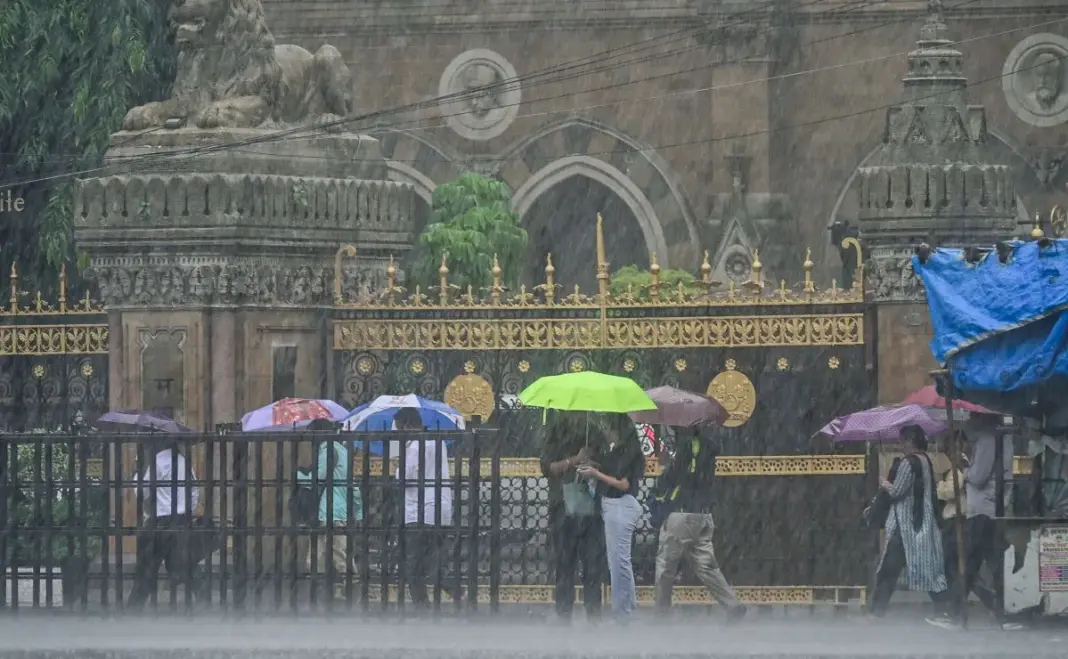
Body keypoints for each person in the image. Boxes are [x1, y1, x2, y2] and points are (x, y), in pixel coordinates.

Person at [928, 414, 1017, 630]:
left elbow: (978, 476)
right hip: (992, 509)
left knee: (970, 562)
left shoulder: (987, 439)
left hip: (983, 510)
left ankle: (958, 613)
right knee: (990, 563)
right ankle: (1001, 613)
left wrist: (964, 468)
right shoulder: (1002, 438)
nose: (968, 420)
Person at [650, 428, 746, 622]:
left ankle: (661, 614)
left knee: (665, 567)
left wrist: (667, 465)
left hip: (681, 514)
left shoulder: (686, 446)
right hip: (703, 515)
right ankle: (732, 605)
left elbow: (678, 478)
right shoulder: (710, 447)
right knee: (707, 567)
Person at [867, 425, 947, 618]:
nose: (900, 444)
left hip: (905, 526)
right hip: (921, 523)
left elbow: (896, 492)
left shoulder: (908, 463)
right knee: (927, 569)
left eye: (902, 440)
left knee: (888, 569)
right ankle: (944, 608)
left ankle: (876, 613)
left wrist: (883, 483)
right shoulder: (925, 461)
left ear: (910, 441)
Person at [577, 417, 645, 621]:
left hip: (620, 506)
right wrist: (594, 465)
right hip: (615, 507)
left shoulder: (627, 452)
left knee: (619, 564)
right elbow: (611, 470)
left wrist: (595, 473)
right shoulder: (619, 452)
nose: (606, 433)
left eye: (608, 428)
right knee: (620, 561)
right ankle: (627, 608)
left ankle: (623, 611)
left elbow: (623, 483)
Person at [539, 412, 605, 622]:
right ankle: (563, 612)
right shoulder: (556, 433)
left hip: (591, 509)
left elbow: (607, 466)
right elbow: (547, 467)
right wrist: (573, 460)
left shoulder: (594, 433)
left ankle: (593, 613)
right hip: (563, 508)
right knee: (564, 563)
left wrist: (592, 466)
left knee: (592, 565)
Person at [128, 438, 206, 608]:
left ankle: (134, 606)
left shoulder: (157, 462)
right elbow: (194, 489)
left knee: (147, 566)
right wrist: (188, 512)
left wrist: (136, 473)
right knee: (185, 563)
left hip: (160, 520)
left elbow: (143, 491)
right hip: (180, 520)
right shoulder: (184, 462)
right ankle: (204, 597)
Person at [395, 406, 456, 608]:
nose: (397, 435)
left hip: (419, 512)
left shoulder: (414, 447)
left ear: (407, 426)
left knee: (413, 566)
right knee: (435, 563)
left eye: (398, 429)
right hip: (440, 509)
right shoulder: (439, 443)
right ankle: (460, 594)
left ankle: (423, 606)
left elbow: (403, 477)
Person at [298, 418, 361, 599]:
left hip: (329, 510)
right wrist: (358, 511)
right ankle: (332, 592)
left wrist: (298, 475)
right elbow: (353, 485)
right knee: (325, 554)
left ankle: (346, 592)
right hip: (335, 510)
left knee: (333, 554)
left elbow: (317, 479)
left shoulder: (328, 451)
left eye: (312, 434)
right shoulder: (342, 450)